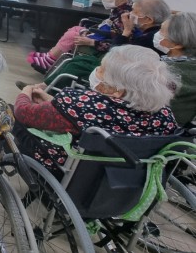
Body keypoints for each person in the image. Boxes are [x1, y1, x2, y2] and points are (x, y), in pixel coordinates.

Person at [13, 45, 179, 173]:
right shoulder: (165, 116)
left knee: (10, 115)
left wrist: (25, 93)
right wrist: (54, 101)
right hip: (124, 183)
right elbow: (75, 115)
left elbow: (24, 112)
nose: (96, 71)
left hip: (67, 172)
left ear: (118, 90)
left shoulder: (83, 102)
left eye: (101, 70)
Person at [17, 0, 170, 89]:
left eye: (134, 12)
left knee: (78, 65)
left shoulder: (149, 38)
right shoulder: (146, 32)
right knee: (78, 60)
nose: (129, 14)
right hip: (115, 60)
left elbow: (117, 52)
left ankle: (42, 88)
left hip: (122, 71)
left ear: (148, 19)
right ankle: (44, 86)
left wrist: (126, 31)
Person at [28, 0, 134, 72]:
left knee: (72, 36)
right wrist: (91, 31)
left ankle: (49, 60)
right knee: (75, 29)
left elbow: (116, 41)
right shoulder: (119, 9)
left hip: (102, 42)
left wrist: (92, 41)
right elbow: (109, 27)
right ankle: (50, 56)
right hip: (101, 35)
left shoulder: (124, 16)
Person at [149, 11, 196, 125]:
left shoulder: (164, 72)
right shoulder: (188, 65)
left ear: (178, 45)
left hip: (158, 126)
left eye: (161, 31)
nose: (157, 34)